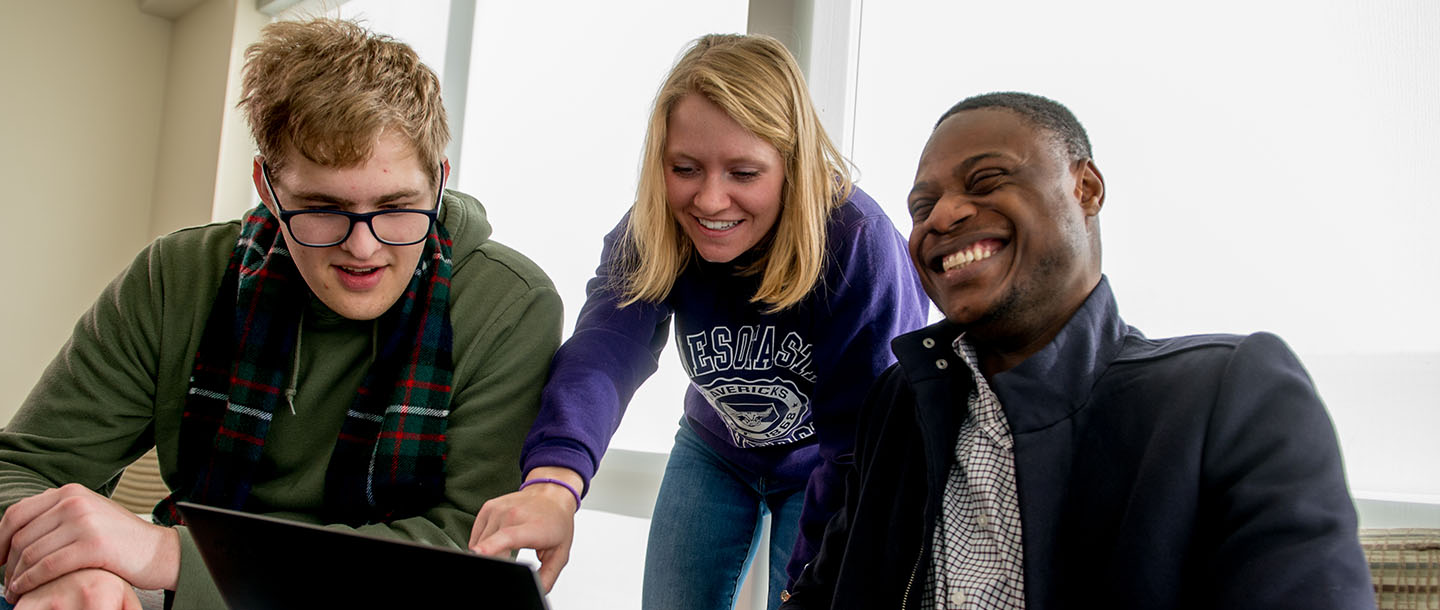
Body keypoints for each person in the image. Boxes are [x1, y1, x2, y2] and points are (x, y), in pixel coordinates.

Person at [0, 18, 561, 610]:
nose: (363, 247)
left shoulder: (512, 303)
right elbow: (20, 469)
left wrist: (161, 556)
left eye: (396, 207)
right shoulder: (175, 276)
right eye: (323, 208)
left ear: (440, 183)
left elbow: (460, 560)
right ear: (267, 188)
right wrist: (77, 572)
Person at [779, 91, 1376, 609]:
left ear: (1085, 188)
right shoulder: (899, 402)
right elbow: (821, 592)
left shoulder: (1230, 395)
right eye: (921, 208)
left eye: (986, 181)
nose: (945, 215)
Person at [469, 34, 928, 609]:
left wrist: (811, 578)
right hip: (715, 449)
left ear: (793, 164)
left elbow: (864, 439)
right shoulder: (653, 229)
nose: (711, 201)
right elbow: (604, 352)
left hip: (824, 464)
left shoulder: (858, 243)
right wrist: (553, 481)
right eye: (685, 168)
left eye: (744, 172)